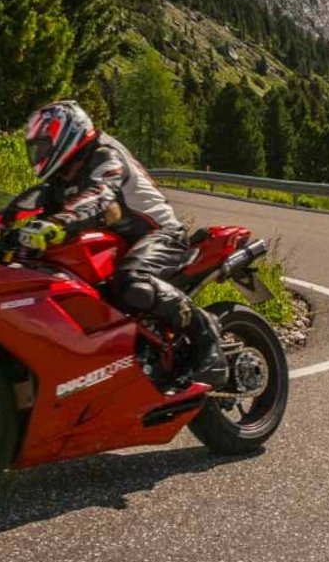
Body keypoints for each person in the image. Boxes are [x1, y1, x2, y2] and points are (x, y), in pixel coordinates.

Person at [12, 100, 228, 386]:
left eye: (43, 146)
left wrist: (58, 224)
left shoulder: (104, 155)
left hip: (159, 233)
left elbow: (101, 196)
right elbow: (26, 206)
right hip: (119, 245)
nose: (39, 155)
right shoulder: (61, 178)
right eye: (36, 149)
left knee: (131, 282)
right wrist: (4, 233)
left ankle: (206, 336)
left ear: (66, 134)